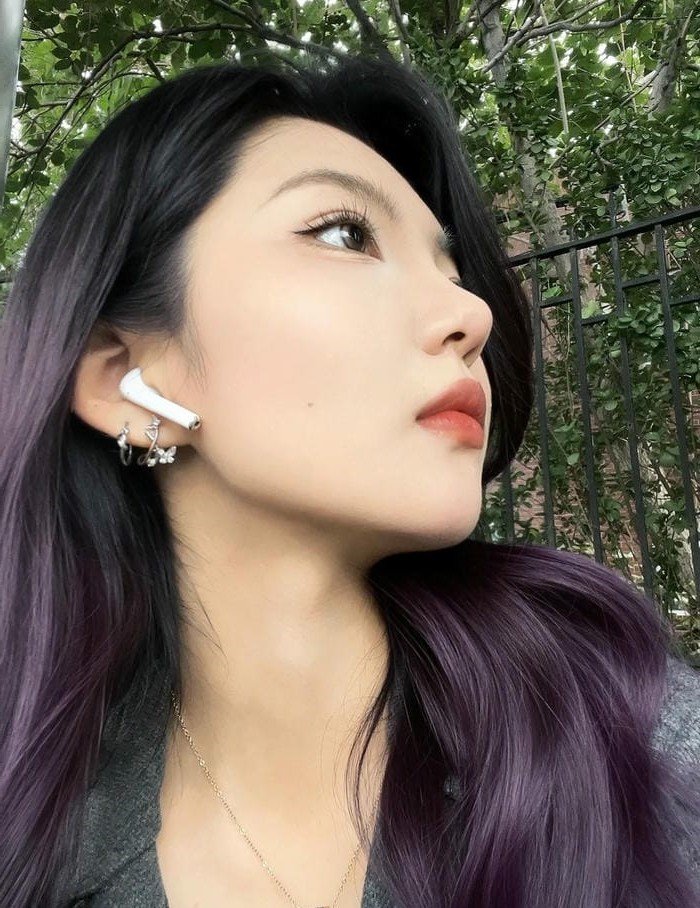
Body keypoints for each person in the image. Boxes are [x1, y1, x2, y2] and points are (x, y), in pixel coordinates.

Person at [0, 52, 697, 908]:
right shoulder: (33, 834)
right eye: (344, 234)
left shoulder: (630, 745)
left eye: (453, 273)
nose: (473, 313)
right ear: (125, 380)